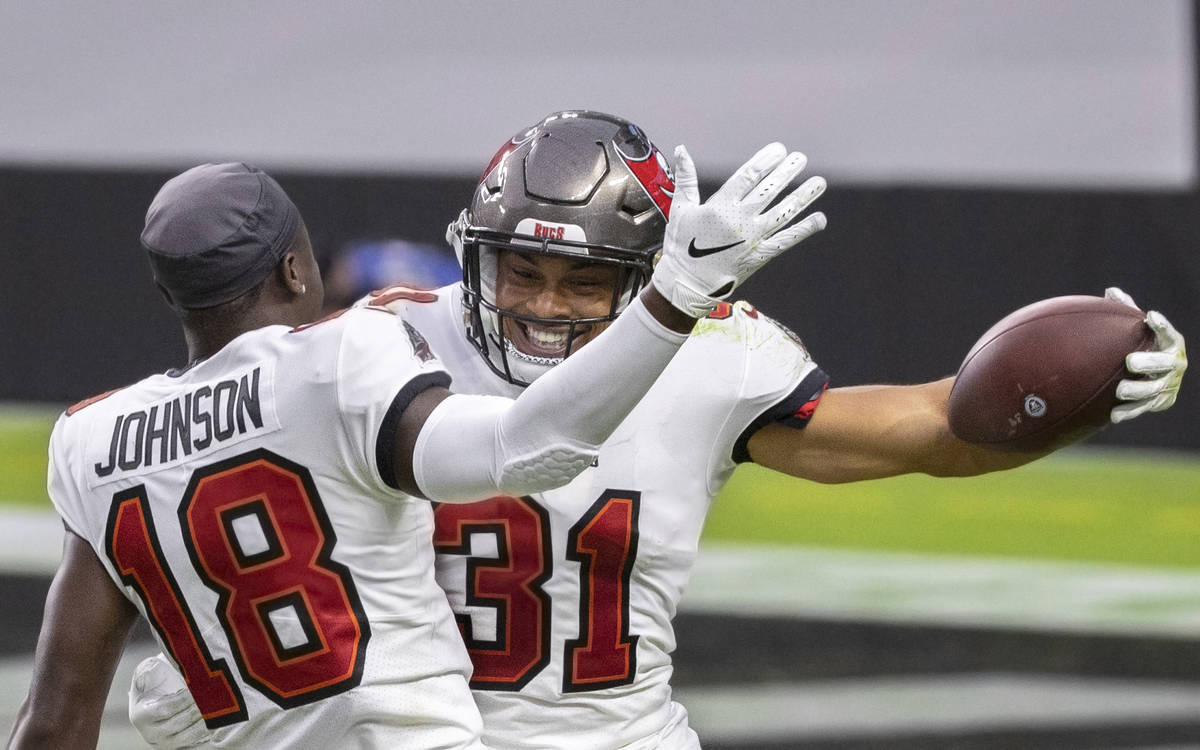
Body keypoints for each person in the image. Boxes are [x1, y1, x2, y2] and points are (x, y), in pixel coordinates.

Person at [128, 112, 1188, 749]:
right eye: (522, 268)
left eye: (584, 280)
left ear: (647, 276)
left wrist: (1091, 392)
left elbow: (933, 431)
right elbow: (234, 497)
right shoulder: (379, 345)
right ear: (476, 253)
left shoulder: (711, 357)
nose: (544, 303)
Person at [9, 148, 828, 749]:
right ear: (298, 270)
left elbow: (51, 721)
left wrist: (223, 679)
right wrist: (676, 296)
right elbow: (528, 446)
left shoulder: (93, 436)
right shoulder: (345, 359)